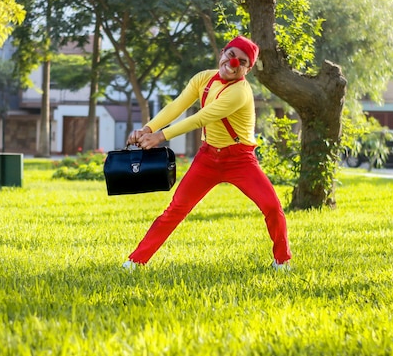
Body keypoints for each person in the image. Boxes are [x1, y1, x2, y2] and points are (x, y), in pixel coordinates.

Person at [123, 36, 292, 271]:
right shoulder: (203, 79)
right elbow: (177, 106)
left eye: (242, 62)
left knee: (272, 207)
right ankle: (135, 261)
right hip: (208, 157)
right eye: (231, 55)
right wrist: (148, 128)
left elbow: (201, 117)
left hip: (240, 159)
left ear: (247, 70)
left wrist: (160, 137)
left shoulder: (239, 92)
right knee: (176, 210)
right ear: (223, 53)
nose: (233, 63)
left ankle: (282, 261)